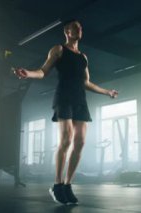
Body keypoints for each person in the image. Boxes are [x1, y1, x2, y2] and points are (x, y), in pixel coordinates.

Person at [14, 19, 118, 205]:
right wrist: (28, 73)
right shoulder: (58, 50)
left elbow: (87, 83)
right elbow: (44, 71)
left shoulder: (83, 57)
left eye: (80, 27)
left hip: (80, 101)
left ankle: (68, 184)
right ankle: (57, 185)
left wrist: (107, 92)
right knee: (66, 140)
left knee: (80, 142)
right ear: (67, 31)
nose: (79, 29)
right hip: (64, 98)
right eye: (75, 27)